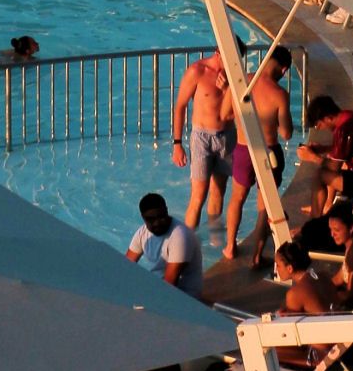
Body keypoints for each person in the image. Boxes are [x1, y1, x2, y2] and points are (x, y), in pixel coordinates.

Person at [221, 46, 294, 261]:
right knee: (265, 205)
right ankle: (257, 255)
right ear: (284, 69)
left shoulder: (240, 82)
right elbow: (286, 133)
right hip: (269, 151)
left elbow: (224, 115)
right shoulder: (279, 94)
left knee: (237, 198)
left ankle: (230, 246)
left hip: (244, 148)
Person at [171, 46, 238, 228]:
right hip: (202, 137)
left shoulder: (235, 74)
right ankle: (189, 239)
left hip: (227, 135)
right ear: (218, 53)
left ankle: (215, 237)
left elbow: (240, 108)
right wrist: (177, 144)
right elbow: (180, 106)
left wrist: (228, 89)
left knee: (219, 191)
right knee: (198, 195)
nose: (233, 63)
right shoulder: (197, 71)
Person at [296, 93, 353, 214]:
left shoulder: (344, 129)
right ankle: (326, 205)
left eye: (318, 125)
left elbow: (332, 168)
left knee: (320, 175)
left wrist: (312, 157)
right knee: (333, 158)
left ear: (328, 117)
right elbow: (351, 149)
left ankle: (315, 219)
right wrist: (324, 149)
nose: (319, 129)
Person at [126, 192, 205, 297]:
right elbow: (126, 266)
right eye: (151, 219)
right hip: (159, 286)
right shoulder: (142, 233)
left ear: (166, 211)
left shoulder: (180, 236)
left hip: (184, 295)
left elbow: (169, 285)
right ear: (143, 218)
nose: (157, 223)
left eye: (161, 217)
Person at [270, 240, 333, 368]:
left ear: (290, 268)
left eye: (278, 265)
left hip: (319, 353)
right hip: (337, 340)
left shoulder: (295, 293)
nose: (276, 269)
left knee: (267, 348)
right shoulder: (324, 276)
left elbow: (288, 332)